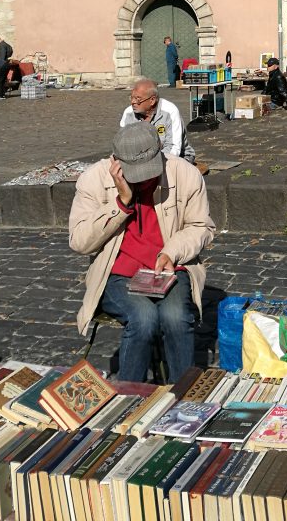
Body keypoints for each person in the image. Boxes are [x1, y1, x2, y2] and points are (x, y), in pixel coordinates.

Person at [68, 122, 215, 382]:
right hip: (118, 272)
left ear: (160, 151)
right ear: (115, 162)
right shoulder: (93, 179)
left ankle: (181, 392)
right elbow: (79, 242)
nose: (145, 179)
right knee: (143, 319)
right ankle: (128, 395)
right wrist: (120, 203)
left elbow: (201, 226)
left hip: (170, 267)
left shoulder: (184, 173)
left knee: (175, 317)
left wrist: (171, 252)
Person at [120, 78, 193, 161]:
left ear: (152, 100)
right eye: (131, 97)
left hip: (177, 157)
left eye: (138, 99)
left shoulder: (170, 111)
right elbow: (123, 145)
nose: (133, 102)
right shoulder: (128, 113)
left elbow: (173, 148)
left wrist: (152, 164)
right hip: (139, 160)